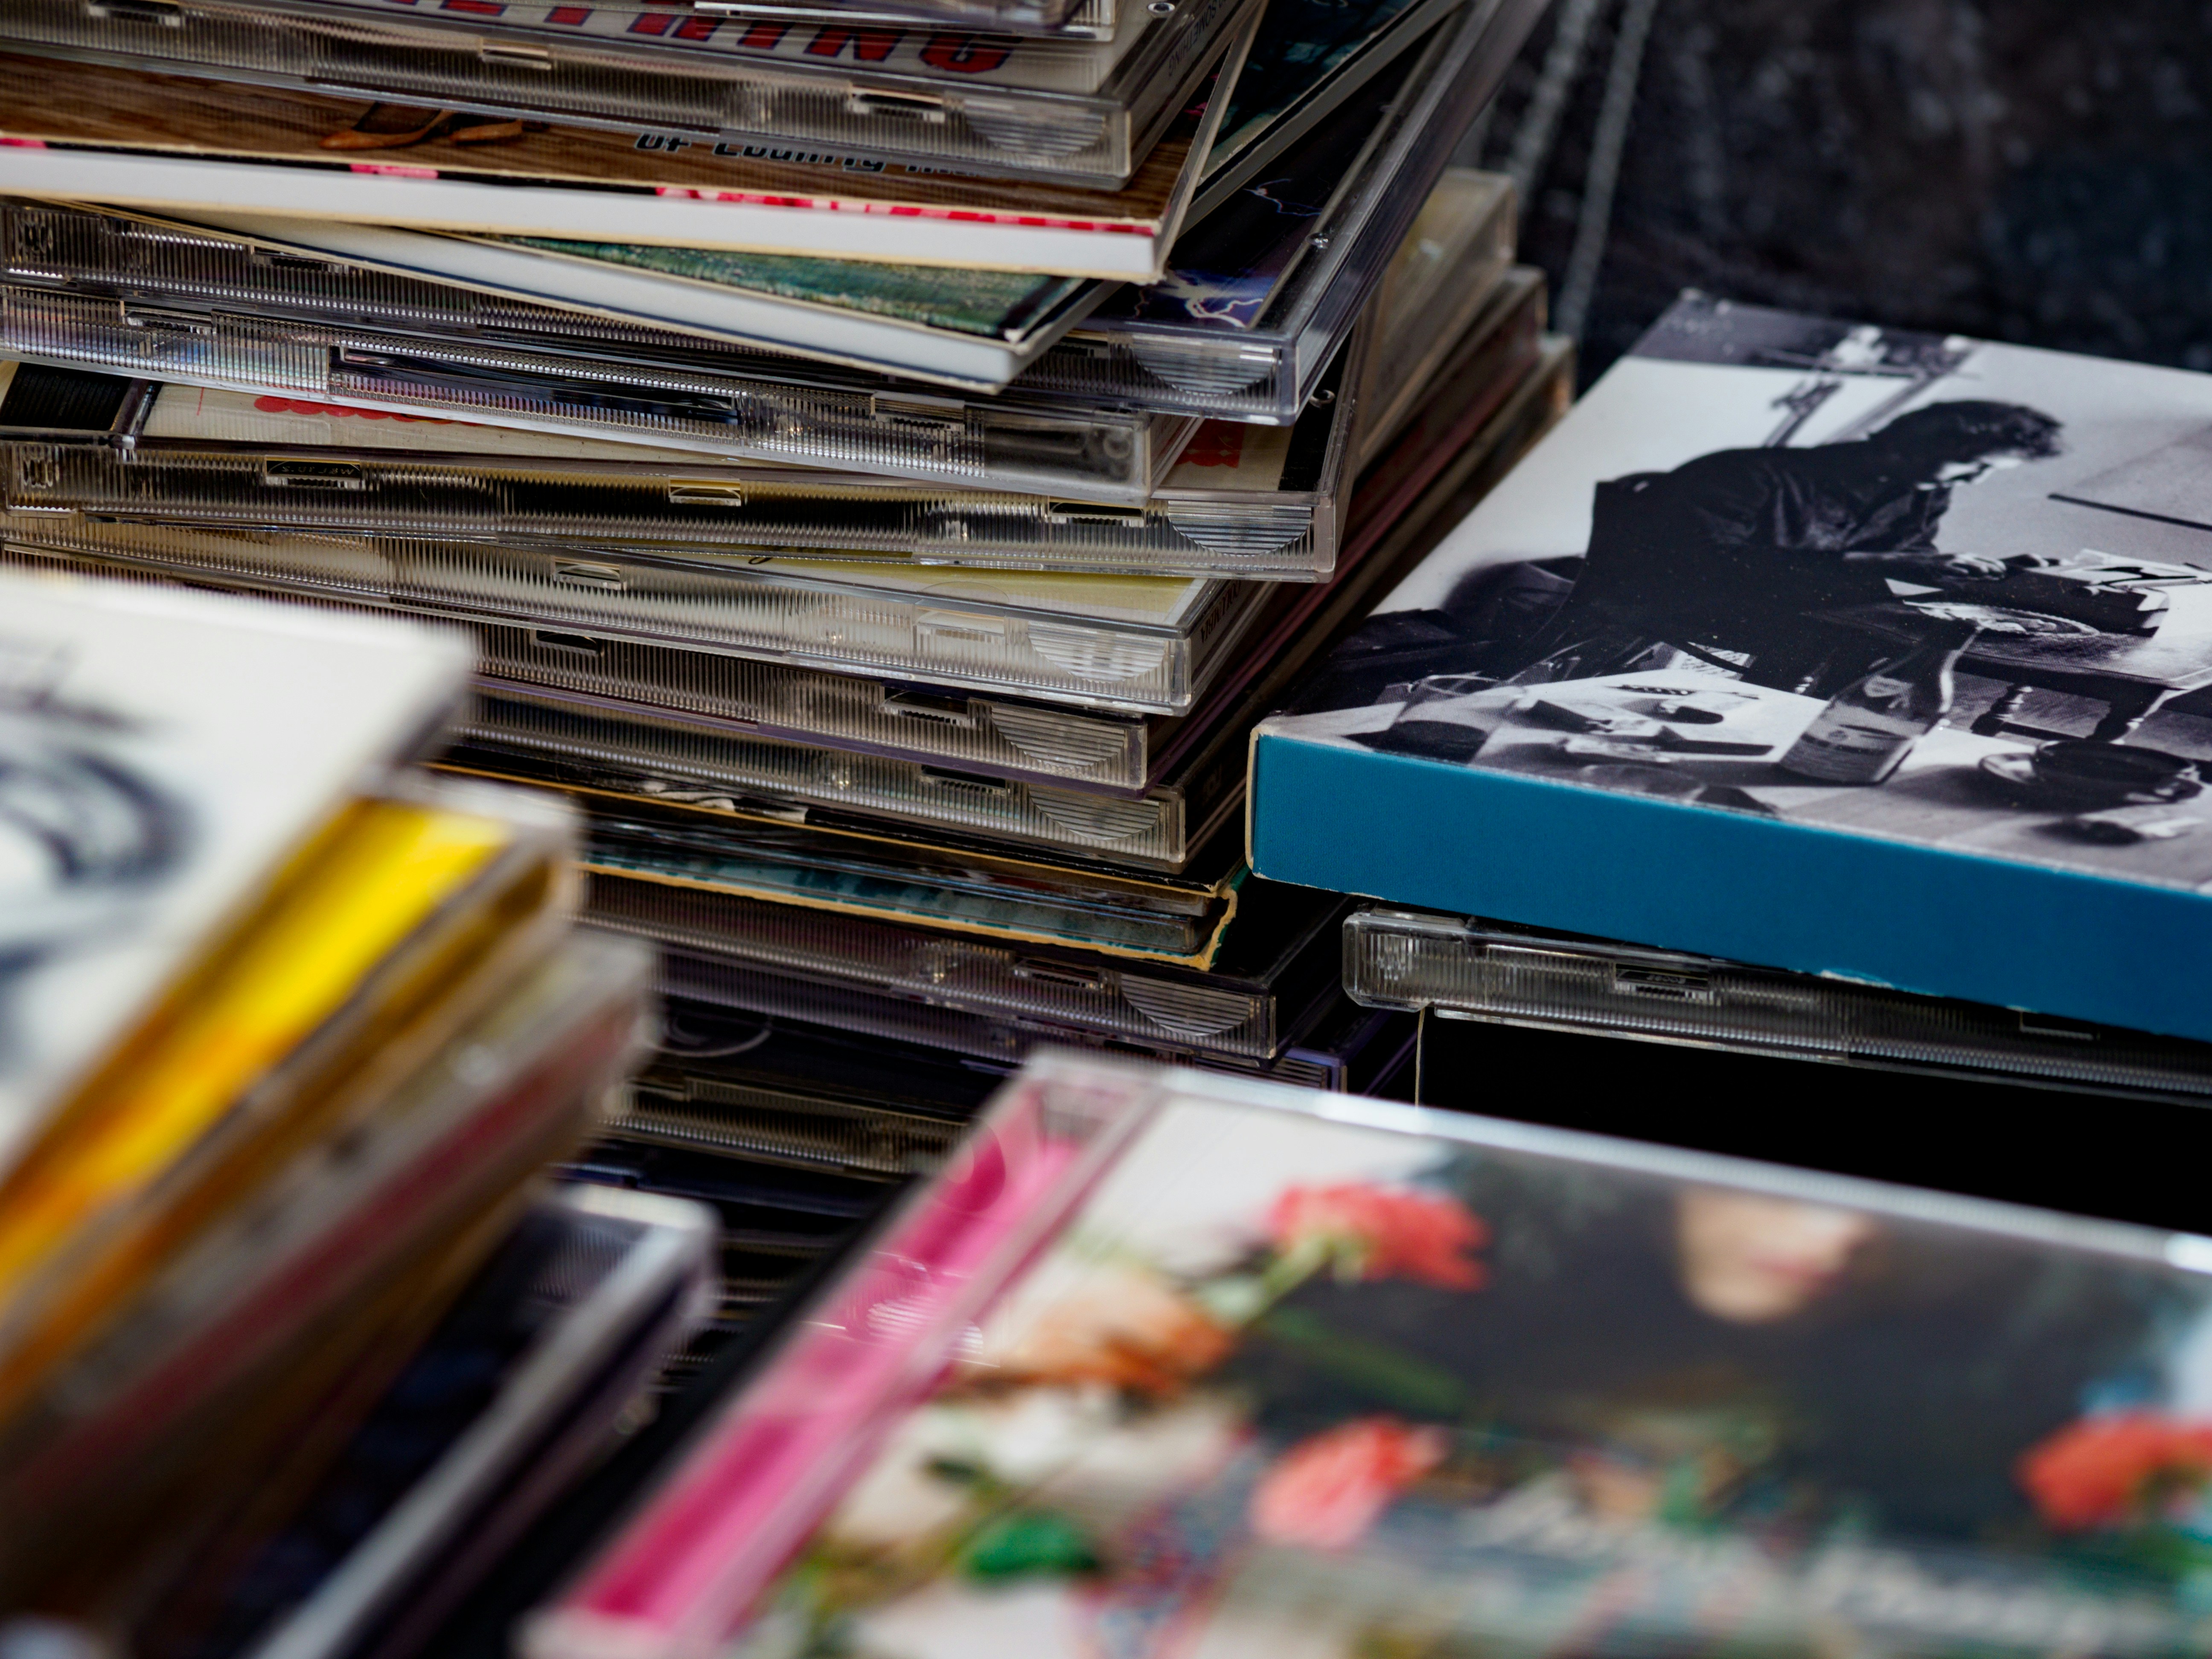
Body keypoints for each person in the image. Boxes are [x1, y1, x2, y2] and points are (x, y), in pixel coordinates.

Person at [1521, 399, 2066, 692]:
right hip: (1684, 597)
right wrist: (1868, 564)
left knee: (1928, 636)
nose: (1973, 482)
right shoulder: (1750, 474)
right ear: (1912, 444)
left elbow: (1911, 552)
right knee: (1854, 639)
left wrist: (1989, 571)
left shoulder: (1922, 491)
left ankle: (1811, 726)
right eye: (1974, 466)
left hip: (1800, 607)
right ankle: (1771, 717)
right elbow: (1689, 562)